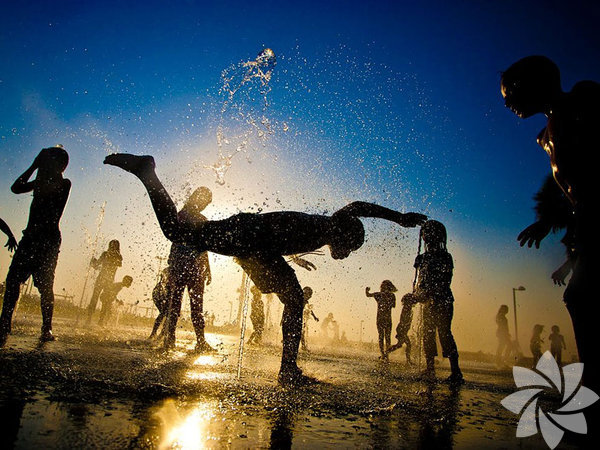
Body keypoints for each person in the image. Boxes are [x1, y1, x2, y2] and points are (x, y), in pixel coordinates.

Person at [103, 153, 426, 384]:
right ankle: (147, 172)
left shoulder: (321, 230)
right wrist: (398, 218)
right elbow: (358, 206)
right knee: (177, 231)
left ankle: (288, 369)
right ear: (346, 235)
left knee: (292, 298)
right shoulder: (332, 224)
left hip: (255, 243)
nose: (345, 254)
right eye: (351, 247)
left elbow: (284, 234)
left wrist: (291, 260)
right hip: (249, 237)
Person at [501, 55, 598, 390]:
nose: (507, 103)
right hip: (587, 224)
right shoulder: (546, 136)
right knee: (580, 297)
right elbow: (569, 189)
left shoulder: (583, 99)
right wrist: (548, 222)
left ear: (532, 83)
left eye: (510, 93)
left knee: (581, 297)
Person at [0, 146, 71, 346]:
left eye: (48, 160)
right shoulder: (40, 182)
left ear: (60, 165)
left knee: (45, 286)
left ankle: (46, 327)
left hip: (47, 240)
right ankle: (5, 322)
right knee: (13, 280)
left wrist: (38, 164)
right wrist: (33, 165)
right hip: (30, 237)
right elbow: (15, 188)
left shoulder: (63, 183)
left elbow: (43, 186)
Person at [161, 187, 213, 352]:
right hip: (183, 267)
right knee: (177, 305)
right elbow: (175, 240)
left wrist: (208, 269)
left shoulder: (197, 218)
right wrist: (171, 264)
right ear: (196, 198)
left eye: (207, 203)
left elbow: (203, 247)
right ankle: (172, 338)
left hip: (193, 268)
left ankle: (198, 341)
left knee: (192, 307)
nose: (204, 205)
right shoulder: (182, 216)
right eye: (204, 201)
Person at [413, 220, 463, 383]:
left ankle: (455, 371)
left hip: (443, 300)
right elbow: (419, 283)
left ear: (438, 236)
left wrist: (426, 294)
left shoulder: (445, 257)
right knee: (427, 333)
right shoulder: (422, 258)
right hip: (429, 302)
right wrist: (416, 295)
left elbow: (445, 281)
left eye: (429, 233)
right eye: (425, 233)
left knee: (444, 333)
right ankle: (430, 368)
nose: (426, 236)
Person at [86, 240, 123, 324]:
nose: (112, 248)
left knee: (98, 298)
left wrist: (94, 262)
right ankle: (97, 320)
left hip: (104, 280)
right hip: (107, 280)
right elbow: (97, 265)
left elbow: (97, 265)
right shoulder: (115, 256)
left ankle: (92, 319)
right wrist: (94, 262)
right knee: (103, 300)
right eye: (112, 246)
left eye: (113, 246)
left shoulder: (110, 255)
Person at [365, 280, 397, 360]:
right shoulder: (378, 294)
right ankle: (382, 354)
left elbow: (393, 305)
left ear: (388, 287)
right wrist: (366, 290)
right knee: (381, 336)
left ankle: (387, 354)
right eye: (381, 286)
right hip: (380, 319)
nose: (382, 287)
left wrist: (386, 299)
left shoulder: (392, 295)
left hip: (388, 319)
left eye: (383, 286)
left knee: (387, 337)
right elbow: (368, 295)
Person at [386, 292, 417, 364]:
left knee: (399, 345)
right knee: (408, 344)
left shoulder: (408, 308)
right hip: (402, 329)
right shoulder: (406, 308)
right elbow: (403, 319)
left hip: (402, 329)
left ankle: (385, 354)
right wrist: (405, 326)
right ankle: (408, 361)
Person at [149, 268, 170, 340]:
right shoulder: (168, 271)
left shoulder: (167, 270)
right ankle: (158, 333)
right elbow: (163, 281)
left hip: (160, 292)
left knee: (166, 314)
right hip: (160, 292)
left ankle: (158, 333)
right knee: (166, 313)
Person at [300, 286, 319, 352]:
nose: (310, 296)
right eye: (309, 295)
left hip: (301, 318)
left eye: (310, 295)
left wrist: (314, 317)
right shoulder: (299, 299)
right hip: (296, 316)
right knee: (299, 331)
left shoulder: (306, 302)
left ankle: (303, 346)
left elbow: (310, 310)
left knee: (302, 332)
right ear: (304, 293)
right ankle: (286, 339)